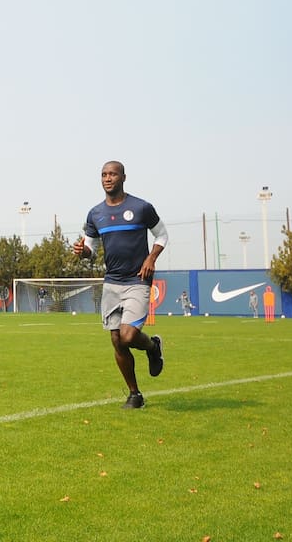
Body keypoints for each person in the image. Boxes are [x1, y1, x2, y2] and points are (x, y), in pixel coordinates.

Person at [73, 161, 167, 409]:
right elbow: (91, 249)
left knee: (128, 335)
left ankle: (153, 346)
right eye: (104, 174)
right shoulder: (95, 214)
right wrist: (83, 252)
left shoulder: (141, 207)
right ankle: (135, 394)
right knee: (116, 340)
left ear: (123, 177)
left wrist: (151, 258)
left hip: (138, 279)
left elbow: (162, 234)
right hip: (112, 282)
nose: (107, 178)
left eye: (113, 174)